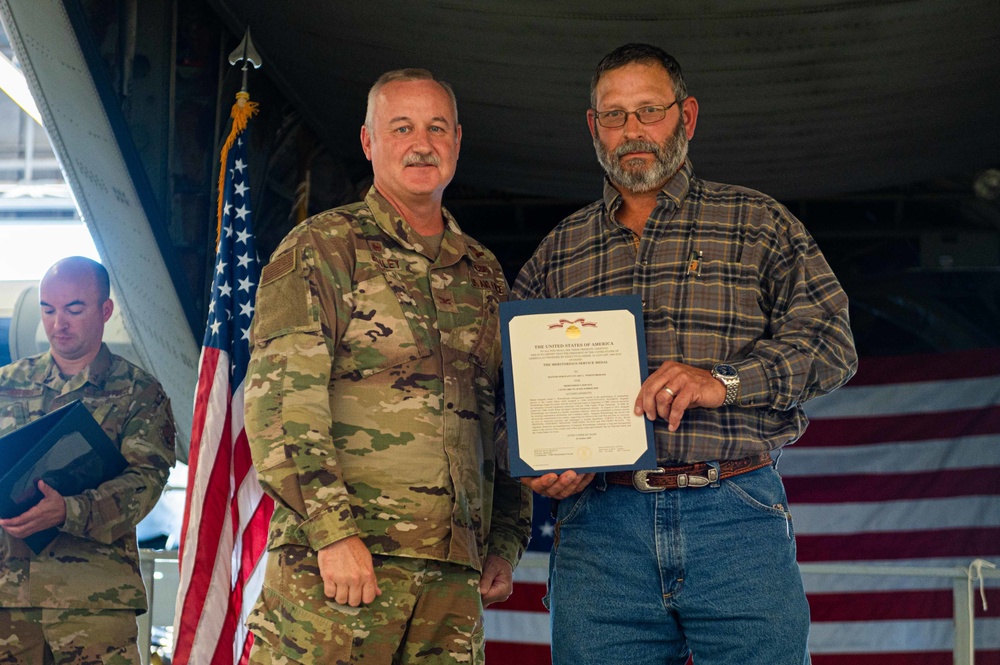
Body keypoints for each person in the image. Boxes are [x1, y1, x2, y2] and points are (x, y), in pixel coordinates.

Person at [513, 44, 858, 665]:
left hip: (735, 515)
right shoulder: (560, 251)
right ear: (594, 127)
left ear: (687, 117)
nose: (632, 131)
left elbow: (832, 344)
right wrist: (542, 456)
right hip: (600, 531)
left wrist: (721, 381)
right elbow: (509, 383)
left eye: (650, 111)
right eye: (614, 116)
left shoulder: (757, 223)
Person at [244, 68, 532, 665]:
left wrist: (505, 539)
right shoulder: (321, 247)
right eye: (401, 128)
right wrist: (333, 533)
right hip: (341, 570)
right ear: (370, 142)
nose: (421, 143)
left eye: (436, 127)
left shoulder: (483, 272)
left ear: (457, 140)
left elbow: (504, 417)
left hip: (454, 581)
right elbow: (281, 406)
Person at [0, 256, 176, 664]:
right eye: (48, 309)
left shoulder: (139, 393)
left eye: (74, 309)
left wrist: (69, 510)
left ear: (105, 310)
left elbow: (145, 482)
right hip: (7, 600)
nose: (58, 322)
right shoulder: (8, 384)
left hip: (94, 600)